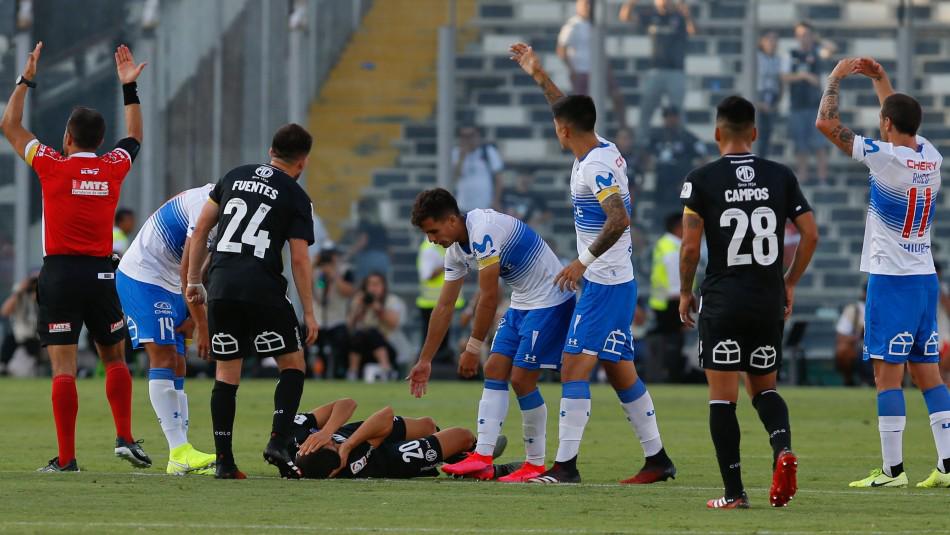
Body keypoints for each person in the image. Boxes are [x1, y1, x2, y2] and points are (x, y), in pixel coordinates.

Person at [510, 42, 675, 485]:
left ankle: (565, 467)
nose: (555, 128)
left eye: (556, 125)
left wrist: (581, 263)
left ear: (564, 131)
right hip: (615, 280)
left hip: (605, 283)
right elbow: (565, 108)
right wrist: (539, 74)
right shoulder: (599, 147)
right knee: (620, 372)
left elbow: (619, 219)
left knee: (573, 367)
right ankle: (658, 459)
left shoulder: (594, 168)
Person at [1, 42, 150, 472]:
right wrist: (129, 87)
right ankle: (124, 437)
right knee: (114, 358)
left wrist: (26, 80)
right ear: (100, 141)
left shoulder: (51, 163)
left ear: (67, 138)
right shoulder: (112, 166)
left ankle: (67, 459)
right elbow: (134, 138)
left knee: (63, 368)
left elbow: (9, 125)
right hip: (102, 274)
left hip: (61, 274)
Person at [816, 57, 950, 489]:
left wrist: (836, 77)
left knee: (886, 376)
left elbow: (826, 124)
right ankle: (947, 465)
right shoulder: (929, 155)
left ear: (887, 123)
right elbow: (896, 113)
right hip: (924, 276)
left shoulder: (886, 158)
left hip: (891, 278)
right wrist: (880, 79)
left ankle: (893, 470)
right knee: (928, 374)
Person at [679, 95, 818, 508]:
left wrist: (686, 291)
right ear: (754, 133)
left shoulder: (701, 179)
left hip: (723, 299)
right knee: (763, 389)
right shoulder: (780, 175)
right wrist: (789, 282)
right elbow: (811, 234)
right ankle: (783, 449)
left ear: (716, 132)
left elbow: (690, 248)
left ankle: (734, 493)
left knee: (723, 397)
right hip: (767, 299)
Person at [407, 188, 576, 482]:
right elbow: (444, 306)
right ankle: (482, 457)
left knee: (521, 379)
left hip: (551, 300)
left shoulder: (483, 230)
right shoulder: (456, 251)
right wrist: (425, 360)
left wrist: (473, 347)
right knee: (495, 368)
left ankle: (535, 464)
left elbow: (489, 296)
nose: (431, 239)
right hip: (523, 301)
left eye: (433, 231)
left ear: (451, 220)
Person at [186, 123, 318, 480]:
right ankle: (278, 441)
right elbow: (299, 258)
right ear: (302, 162)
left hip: (221, 285)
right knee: (292, 364)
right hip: (262, 287)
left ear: (271, 151)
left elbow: (201, 229)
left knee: (227, 373)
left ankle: (224, 461)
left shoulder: (233, 176)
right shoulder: (296, 196)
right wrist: (309, 311)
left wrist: (194, 281)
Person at [115, 184, 218, 475]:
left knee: (179, 363)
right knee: (163, 358)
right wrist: (202, 324)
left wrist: (194, 317)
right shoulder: (205, 208)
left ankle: (181, 455)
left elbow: (202, 268)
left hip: (172, 283)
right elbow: (189, 270)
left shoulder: (226, 207)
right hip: (144, 278)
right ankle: (179, 450)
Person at [292, 398, 513, 480]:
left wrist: (327, 430)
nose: (333, 441)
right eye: (334, 446)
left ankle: (461, 461)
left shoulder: (297, 435)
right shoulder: (350, 461)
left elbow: (347, 403)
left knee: (428, 425)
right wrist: (348, 446)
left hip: (366, 432)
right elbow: (385, 417)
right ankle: (476, 461)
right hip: (387, 457)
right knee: (462, 436)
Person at [620, 0, 695, 137]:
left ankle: (681, 142)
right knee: (646, 109)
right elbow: (625, 17)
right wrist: (631, 3)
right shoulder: (651, 16)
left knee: (678, 111)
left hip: (675, 71)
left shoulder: (679, 17)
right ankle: (641, 143)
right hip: (655, 71)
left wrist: (687, 16)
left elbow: (693, 31)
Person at [557, 0, 627, 129]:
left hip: (598, 70)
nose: (588, 7)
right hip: (582, 71)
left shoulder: (595, 24)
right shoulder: (573, 25)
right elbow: (561, 50)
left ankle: (623, 128)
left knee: (617, 95)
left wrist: (608, 70)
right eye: (585, 4)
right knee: (584, 107)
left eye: (590, 4)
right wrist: (572, 70)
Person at [782, 21, 835, 183]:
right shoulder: (791, 54)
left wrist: (817, 40)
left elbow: (832, 48)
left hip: (817, 105)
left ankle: (822, 178)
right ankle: (802, 177)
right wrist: (804, 76)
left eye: (806, 34)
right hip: (797, 105)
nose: (803, 38)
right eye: (800, 35)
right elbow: (784, 76)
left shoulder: (818, 52)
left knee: (819, 144)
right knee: (800, 145)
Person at [647, 106, 706, 225]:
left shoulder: (688, 137)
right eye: (667, 116)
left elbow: (704, 159)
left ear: (678, 118)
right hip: (661, 186)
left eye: (673, 116)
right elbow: (645, 155)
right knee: (660, 220)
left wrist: (689, 180)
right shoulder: (656, 137)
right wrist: (650, 166)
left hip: (681, 186)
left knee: (680, 219)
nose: (670, 119)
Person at [346, 272, 406, 381]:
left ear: (383, 286)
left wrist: (377, 308)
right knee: (359, 334)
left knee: (372, 333)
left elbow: (394, 323)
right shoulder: (360, 300)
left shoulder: (392, 300)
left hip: (388, 345)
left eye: (377, 284)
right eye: (370, 284)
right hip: (363, 347)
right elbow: (349, 326)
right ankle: (352, 372)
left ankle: (386, 370)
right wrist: (358, 308)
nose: (373, 288)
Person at [648, 213, 685, 382]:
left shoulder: (664, 243)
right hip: (672, 298)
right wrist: (682, 296)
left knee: (666, 337)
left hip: (661, 299)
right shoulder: (673, 246)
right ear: (678, 228)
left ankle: (662, 372)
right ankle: (671, 375)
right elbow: (674, 273)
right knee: (673, 339)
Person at [416, 239, 464, 362]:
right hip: (431, 304)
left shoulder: (443, 247)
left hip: (444, 303)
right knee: (434, 344)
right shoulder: (429, 249)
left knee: (442, 343)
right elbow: (427, 275)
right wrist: (449, 262)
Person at [313, 247, 356, 378]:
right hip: (318, 320)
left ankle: (339, 372)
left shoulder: (345, 271)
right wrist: (314, 264)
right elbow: (315, 290)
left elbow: (348, 291)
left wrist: (334, 275)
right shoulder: (316, 273)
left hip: (337, 320)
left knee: (341, 344)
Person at [452, 125, 504, 212]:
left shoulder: (488, 151)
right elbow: (454, 177)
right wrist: (462, 157)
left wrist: (496, 201)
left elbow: (499, 179)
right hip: (462, 206)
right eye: (464, 136)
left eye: (471, 135)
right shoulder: (456, 153)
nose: (468, 139)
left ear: (478, 135)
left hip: (484, 206)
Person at [0, 275, 40, 375]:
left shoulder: (43, 297)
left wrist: (40, 294)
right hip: (19, 334)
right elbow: (4, 311)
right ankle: (3, 366)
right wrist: (19, 291)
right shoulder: (20, 296)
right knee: (9, 339)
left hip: (37, 337)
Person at [347, 199, 391, 282]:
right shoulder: (380, 225)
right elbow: (389, 248)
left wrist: (348, 254)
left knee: (364, 283)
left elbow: (363, 241)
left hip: (368, 257)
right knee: (380, 284)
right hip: (383, 258)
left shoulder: (364, 221)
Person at [834, 284, 868, 387]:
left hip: (883, 346)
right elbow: (841, 336)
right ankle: (849, 381)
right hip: (858, 346)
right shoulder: (853, 310)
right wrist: (858, 337)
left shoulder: (885, 308)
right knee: (843, 350)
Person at [755, 31, 783, 158]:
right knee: (756, 138)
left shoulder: (778, 59)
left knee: (766, 138)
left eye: (775, 39)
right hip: (758, 98)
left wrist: (777, 102)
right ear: (761, 41)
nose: (772, 43)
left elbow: (781, 82)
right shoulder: (756, 58)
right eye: (769, 39)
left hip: (772, 99)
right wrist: (757, 103)